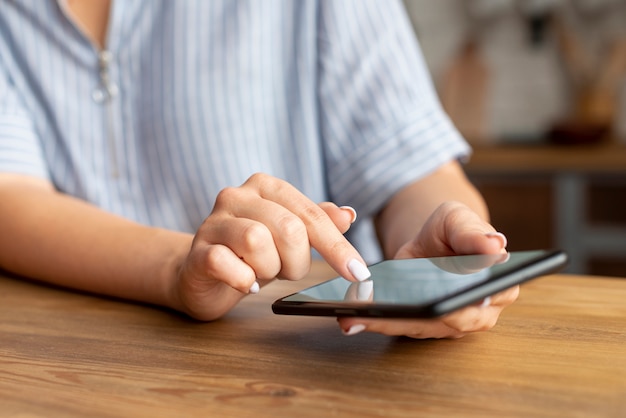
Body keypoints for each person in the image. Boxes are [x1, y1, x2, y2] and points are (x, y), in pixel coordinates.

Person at [0, 0, 517, 338]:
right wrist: (176, 268)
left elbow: (413, 168)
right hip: (70, 363)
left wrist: (441, 249)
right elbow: (11, 195)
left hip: (302, 369)